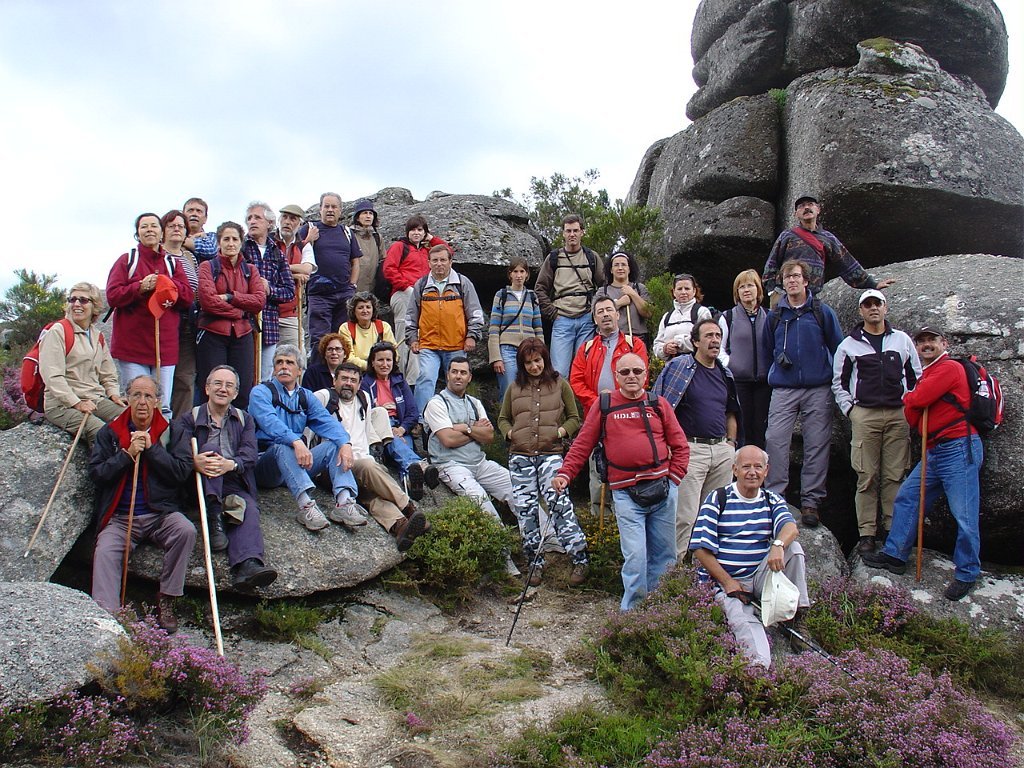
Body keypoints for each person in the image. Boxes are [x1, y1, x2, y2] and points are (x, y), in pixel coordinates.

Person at [553, 353, 689, 611]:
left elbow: (680, 446)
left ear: (646, 374)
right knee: (636, 558)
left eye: (637, 371)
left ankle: (660, 612)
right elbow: (582, 444)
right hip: (626, 493)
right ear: (616, 376)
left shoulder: (658, 404)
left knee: (665, 557)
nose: (631, 377)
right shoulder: (604, 405)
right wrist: (565, 474)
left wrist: (674, 480)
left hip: (662, 490)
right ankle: (633, 616)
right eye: (625, 372)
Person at [861, 327, 983, 602]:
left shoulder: (949, 368)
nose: (926, 345)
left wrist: (913, 400)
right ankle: (895, 554)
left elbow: (917, 400)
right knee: (908, 497)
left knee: (964, 514)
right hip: (935, 450)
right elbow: (913, 418)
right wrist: (914, 402)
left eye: (932, 340)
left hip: (958, 447)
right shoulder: (928, 373)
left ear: (944, 343)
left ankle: (967, 573)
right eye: (922, 342)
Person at [89, 375, 196, 632]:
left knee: (185, 531)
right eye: (136, 395)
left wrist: (153, 450)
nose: (142, 402)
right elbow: (97, 475)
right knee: (104, 552)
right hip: (120, 517)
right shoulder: (110, 433)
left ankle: (167, 598)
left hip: (160, 514)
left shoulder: (173, 431)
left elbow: (182, 472)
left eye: (148, 396)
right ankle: (108, 619)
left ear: (158, 401)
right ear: (127, 399)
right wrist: (126, 456)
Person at [689, 445, 810, 668]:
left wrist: (777, 544)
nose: (752, 472)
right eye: (746, 467)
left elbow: (791, 528)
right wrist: (728, 582)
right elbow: (699, 549)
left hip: (761, 576)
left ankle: (797, 617)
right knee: (746, 627)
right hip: (728, 581)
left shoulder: (771, 499)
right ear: (735, 470)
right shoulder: (718, 498)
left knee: (793, 550)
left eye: (758, 467)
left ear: (766, 471)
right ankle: (758, 671)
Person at [832, 289, 921, 553]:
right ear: (861, 311)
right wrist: (851, 411)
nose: (873, 309)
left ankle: (892, 529)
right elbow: (838, 382)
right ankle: (867, 532)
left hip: (897, 414)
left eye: (877, 304)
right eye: (867, 305)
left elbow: (916, 376)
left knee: (895, 474)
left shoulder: (902, 340)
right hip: (865, 415)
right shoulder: (849, 344)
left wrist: (908, 404)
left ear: (885, 308)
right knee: (866, 475)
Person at [174, 365, 278, 590]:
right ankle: (214, 514)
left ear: (235, 392)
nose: (223, 389)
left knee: (248, 507)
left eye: (229, 385)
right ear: (207, 388)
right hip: (198, 483)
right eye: (218, 384)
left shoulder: (244, 419)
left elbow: (250, 455)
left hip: (231, 478)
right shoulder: (188, 418)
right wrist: (195, 462)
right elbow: (177, 453)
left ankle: (248, 566)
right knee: (212, 449)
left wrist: (229, 464)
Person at [498, 338, 588, 586]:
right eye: (528, 362)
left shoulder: (560, 384)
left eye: (537, 360)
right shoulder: (514, 387)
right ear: (522, 364)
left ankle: (580, 558)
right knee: (525, 512)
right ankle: (534, 565)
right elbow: (503, 418)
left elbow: (574, 418)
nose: (534, 366)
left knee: (558, 504)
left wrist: (559, 433)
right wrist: (509, 433)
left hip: (551, 455)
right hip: (520, 457)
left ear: (545, 359)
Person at [314, 363, 429, 550]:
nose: (348, 384)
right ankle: (408, 507)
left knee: (368, 494)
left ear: (359, 384)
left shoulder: (364, 398)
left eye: (353, 380)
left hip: (359, 464)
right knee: (368, 466)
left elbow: (366, 432)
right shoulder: (323, 397)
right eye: (343, 379)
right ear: (334, 380)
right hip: (330, 465)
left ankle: (400, 526)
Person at [763, 260, 843, 528]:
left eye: (796, 276)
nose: (792, 281)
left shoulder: (821, 312)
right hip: (784, 389)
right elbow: (766, 351)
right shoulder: (775, 315)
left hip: (818, 388)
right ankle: (775, 498)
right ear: (783, 282)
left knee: (817, 444)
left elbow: (838, 347)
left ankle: (811, 502)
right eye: (787, 277)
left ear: (806, 281)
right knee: (775, 440)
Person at [249, 344, 363, 531]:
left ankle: (344, 502)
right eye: (279, 362)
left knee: (334, 446)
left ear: (299, 370)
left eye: (289, 363)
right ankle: (306, 506)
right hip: (265, 463)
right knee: (282, 447)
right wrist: (295, 442)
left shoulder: (305, 396)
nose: (283, 367)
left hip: (295, 463)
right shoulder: (261, 392)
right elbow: (269, 422)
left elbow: (327, 422)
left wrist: (345, 442)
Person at [423, 356, 519, 575]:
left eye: (463, 372)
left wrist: (464, 428)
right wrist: (474, 430)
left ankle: (549, 543)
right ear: (447, 374)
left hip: (480, 462)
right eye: (454, 371)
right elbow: (447, 440)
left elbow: (488, 436)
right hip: (451, 465)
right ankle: (504, 563)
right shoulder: (437, 403)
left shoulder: (475, 403)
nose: (458, 376)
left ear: (469, 377)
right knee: (483, 505)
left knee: (519, 489)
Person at [654, 318, 740, 553]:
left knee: (713, 517)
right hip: (690, 451)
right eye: (709, 336)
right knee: (686, 516)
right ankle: (676, 574)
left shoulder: (725, 373)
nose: (714, 340)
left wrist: (730, 444)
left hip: (722, 450)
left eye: (718, 336)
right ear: (695, 342)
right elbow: (659, 407)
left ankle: (704, 573)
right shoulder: (679, 367)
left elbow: (731, 411)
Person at [106, 212, 194, 414]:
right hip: (133, 346)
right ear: (137, 233)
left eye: (154, 226)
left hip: (164, 346)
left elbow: (187, 297)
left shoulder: (172, 264)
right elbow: (113, 295)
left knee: (162, 405)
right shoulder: (128, 260)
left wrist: (168, 285)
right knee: (138, 404)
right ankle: (136, 444)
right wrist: (139, 287)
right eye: (144, 227)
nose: (149, 230)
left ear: (161, 231)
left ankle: (160, 445)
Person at [570, 295, 648, 511]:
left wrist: (616, 401)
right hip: (597, 416)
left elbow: (643, 378)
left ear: (618, 314)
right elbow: (576, 381)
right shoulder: (586, 348)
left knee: (627, 465)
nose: (605, 314)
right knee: (597, 468)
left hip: (629, 416)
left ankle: (627, 515)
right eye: (599, 312)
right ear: (594, 319)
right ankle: (600, 521)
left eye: (608, 310)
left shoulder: (635, 344)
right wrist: (600, 402)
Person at [763, 194, 894, 304]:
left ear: (818, 209)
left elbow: (847, 263)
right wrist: (773, 291)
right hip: (785, 295)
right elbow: (772, 263)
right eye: (801, 206)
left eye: (810, 204)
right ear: (796, 214)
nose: (806, 208)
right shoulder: (787, 235)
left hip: (812, 297)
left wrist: (872, 284)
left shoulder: (828, 238)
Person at [39, 282, 125, 444]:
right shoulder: (58, 332)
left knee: (132, 421)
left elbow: (108, 372)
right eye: (72, 300)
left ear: (94, 306)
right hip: (61, 405)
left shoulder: (96, 335)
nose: (76, 304)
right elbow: (52, 377)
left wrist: (113, 393)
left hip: (94, 399)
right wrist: (77, 403)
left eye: (83, 300)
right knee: (102, 433)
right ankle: (104, 468)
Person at [407, 244, 486, 420]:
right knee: (426, 378)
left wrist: (472, 336)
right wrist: (412, 338)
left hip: (456, 346)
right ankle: (422, 420)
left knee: (458, 382)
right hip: (429, 345)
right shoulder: (420, 285)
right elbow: (411, 316)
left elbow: (475, 312)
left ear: (450, 262)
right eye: (434, 260)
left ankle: (459, 418)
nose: (439, 264)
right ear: (428, 262)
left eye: (443, 260)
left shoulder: (462, 283)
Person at [195, 221, 266, 411]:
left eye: (235, 239)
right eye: (226, 239)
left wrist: (230, 297)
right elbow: (208, 301)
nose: (231, 243)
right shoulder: (207, 267)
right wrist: (242, 311)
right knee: (211, 387)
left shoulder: (250, 270)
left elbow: (259, 301)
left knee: (242, 390)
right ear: (219, 242)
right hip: (212, 334)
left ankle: (239, 433)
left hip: (242, 336)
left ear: (241, 242)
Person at [534, 214, 605, 378]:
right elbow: (540, 288)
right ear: (563, 233)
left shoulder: (591, 257)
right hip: (562, 320)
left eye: (575, 230)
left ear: (582, 232)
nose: (572, 234)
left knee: (585, 369)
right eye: (568, 231)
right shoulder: (553, 258)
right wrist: (553, 313)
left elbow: (604, 286)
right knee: (559, 372)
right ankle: (560, 404)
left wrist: (595, 310)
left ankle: (582, 404)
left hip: (587, 319)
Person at [382, 215, 449, 382]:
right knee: (404, 335)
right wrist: (407, 287)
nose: (416, 233)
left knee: (419, 337)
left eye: (420, 230)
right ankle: (400, 378)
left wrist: (432, 239)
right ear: (407, 232)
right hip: (403, 294)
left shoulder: (427, 251)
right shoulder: (399, 247)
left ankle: (413, 379)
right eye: (413, 229)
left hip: (423, 297)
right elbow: (389, 269)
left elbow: (447, 251)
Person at [298, 192, 362, 356]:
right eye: (326, 206)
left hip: (343, 294)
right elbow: (296, 255)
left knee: (342, 340)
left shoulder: (347, 232)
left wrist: (352, 286)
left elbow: (355, 261)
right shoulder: (309, 228)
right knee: (320, 341)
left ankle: (340, 377)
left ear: (340, 211)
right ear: (320, 209)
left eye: (334, 207)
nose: (330, 210)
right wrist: (308, 240)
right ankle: (319, 378)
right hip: (319, 295)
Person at [360, 342, 430, 490]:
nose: (385, 364)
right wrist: (380, 409)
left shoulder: (399, 381)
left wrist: (402, 429)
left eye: (388, 360)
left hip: (400, 427)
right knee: (397, 444)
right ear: (372, 362)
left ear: (393, 362)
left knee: (399, 451)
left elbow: (412, 412)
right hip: (378, 429)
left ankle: (410, 483)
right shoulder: (365, 383)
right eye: (380, 360)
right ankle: (419, 465)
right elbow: (363, 412)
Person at [243, 201, 295, 382]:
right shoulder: (241, 248)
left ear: (269, 223)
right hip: (244, 322)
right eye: (249, 218)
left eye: (257, 217)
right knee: (244, 372)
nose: (252, 222)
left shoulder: (277, 253)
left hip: (270, 323)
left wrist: (269, 290)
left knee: (264, 375)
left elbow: (289, 291)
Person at [721, 270, 772, 449]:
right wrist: (731, 364)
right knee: (743, 427)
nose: (746, 290)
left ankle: (761, 470)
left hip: (765, 383)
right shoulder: (728, 317)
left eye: (750, 285)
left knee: (762, 428)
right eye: (741, 287)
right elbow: (720, 348)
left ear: (758, 289)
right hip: (738, 382)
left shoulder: (770, 316)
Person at [488, 256, 543, 402]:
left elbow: (538, 327)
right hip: (507, 349)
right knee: (509, 389)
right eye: (515, 271)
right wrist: (496, 357)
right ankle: (505, 423)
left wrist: (541, 352)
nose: (519, 275)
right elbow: (493, 328)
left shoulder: (532, 297)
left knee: (530, 389)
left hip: (529, 349)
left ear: (527, 275)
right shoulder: (501, 295)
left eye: (522, 271)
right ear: (510, 274)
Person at [163, 209, 200, 418]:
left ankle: (180, 431)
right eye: (171, 225)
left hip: (188, 323)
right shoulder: (158, 255)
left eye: (180, 226)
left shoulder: (189, 257)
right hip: (166, 321)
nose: (176, 229)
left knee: (185, 378)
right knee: (163, 378)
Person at [275, 203, 316, 354]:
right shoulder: (268, 242)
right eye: (284, 217)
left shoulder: (302, 246)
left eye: (292, 219)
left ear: (299, 224)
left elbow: (307, 268)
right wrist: (294, 274)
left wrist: (281, 268)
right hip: (267, 311)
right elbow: (264, 271)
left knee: (298, 358)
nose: (287, 222)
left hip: (291, 313)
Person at [652, 273, 718, 362]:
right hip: (672, 368)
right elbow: (657, 345)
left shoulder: (702, 312)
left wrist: (678, 342)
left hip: (696, 366)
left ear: (694, 291)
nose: (683, 292)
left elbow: (705, 340)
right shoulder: (667, 316)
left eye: (687, 288)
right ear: (674, 292)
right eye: (679, 289)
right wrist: (665, 349)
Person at [593, 251, 652, 344]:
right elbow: (595, 315)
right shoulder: (603, 291)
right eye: (616, 265)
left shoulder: (639, 288)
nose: (620, 268)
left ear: (629, 269)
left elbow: (648, 313)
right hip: (611, 339)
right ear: (611, 270)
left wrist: (633, 294)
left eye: (623, 265)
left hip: (638, 338)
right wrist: (619, 303)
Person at [339, 292, 397, 371]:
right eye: (360, 307)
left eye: (368, 307)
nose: (365, 310)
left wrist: (380, 365)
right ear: (353, 311)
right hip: (355, 371)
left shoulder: (384, 326)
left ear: (373, 309)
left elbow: (394, 353)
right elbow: (348, 357)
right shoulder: (346, 328)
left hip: (382, 369)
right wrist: (371, 366)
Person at [350, 199, 385, 296]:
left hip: (372, 288)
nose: (368, 216)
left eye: (371, 213)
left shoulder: (377, 237)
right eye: (364, 213)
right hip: (352, 287)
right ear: (357, 217)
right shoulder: (349, 235)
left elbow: (383, 259)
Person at [183, 197, 219, 262]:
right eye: (190, 210)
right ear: (182, 215)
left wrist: (181, 240)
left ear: (205, 218)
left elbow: (211, 251)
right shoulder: (173, 232)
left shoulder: (212, 236)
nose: (194, 214)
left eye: (199, 211)